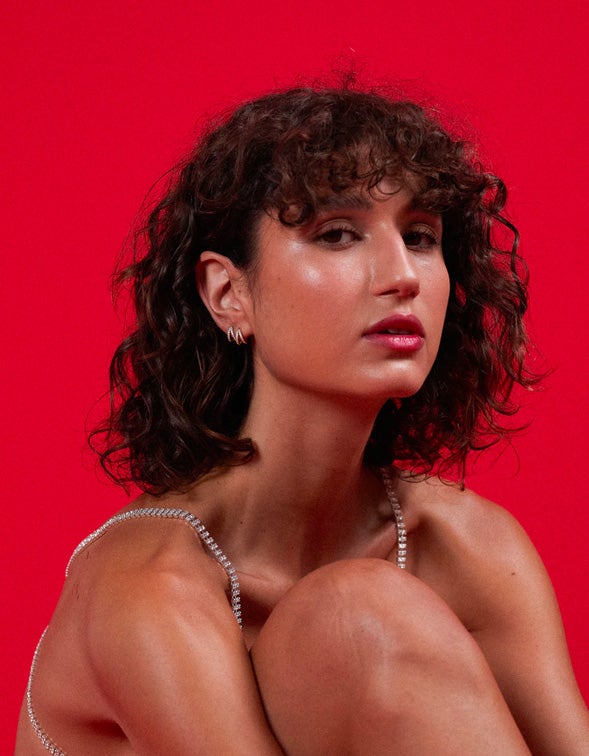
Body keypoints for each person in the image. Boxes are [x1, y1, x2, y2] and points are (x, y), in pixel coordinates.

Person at [16, 83, 589, 755]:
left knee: (353, 617)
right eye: (337, 234)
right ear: (229, 294)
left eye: (420, 237)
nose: (402, 275)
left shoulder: (462, 544)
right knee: (355, 620)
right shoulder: (148, 586)